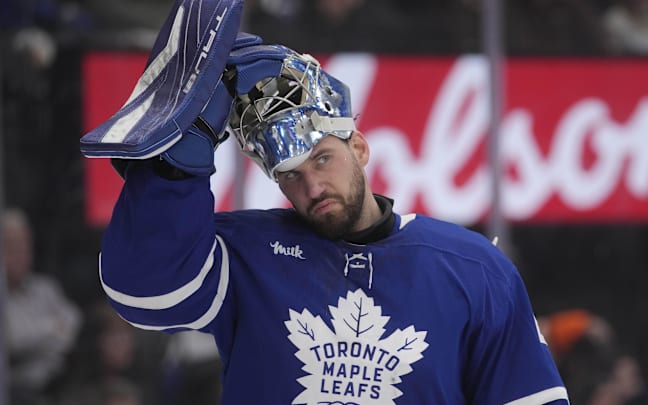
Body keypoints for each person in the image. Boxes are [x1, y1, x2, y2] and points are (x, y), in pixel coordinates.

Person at [83, 12, 569, 403]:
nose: (312, 185)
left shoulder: (474, 267)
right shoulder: (248, 254)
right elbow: (144, 293)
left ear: (358, 147)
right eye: (289, 175)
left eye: (322, 158)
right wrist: (178, 164)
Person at [2, 208, 82, 404]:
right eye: (13, 248)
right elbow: (12, 339)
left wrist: (35, 338)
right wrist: (54, 328)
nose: (21, 255)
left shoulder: (45, 288)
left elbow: (74, 319)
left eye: (25, 246)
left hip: (56, 387)